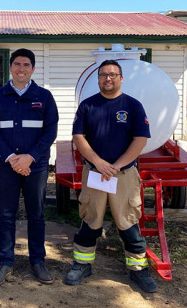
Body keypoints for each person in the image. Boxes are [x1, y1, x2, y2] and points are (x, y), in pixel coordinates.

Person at [64, 59, 157, 293]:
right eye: (104, 75)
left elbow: (140, 140)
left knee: (128, 223)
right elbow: (78, 137)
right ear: (98, 79)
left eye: (113, 74)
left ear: (121, 78)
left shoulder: (133, 106)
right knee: (90, 221)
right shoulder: (87, 106)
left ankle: (138, 271)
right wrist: (98, 162)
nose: (108, 78)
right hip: (95, 174)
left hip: (123, 174)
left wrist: (116, 166)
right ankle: (82, 265)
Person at [0, 48, 59, 286]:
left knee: (36, 214)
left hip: (35, 167)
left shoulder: (44, 97)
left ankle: (38, 261)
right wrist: (11, 158)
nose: (21, 69)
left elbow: (50, 131)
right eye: (17, 64)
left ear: (33, 69)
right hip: (6, 166)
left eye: (26, 65)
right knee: (6, 215)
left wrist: (30, 158)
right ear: (10, 67)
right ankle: (5, 262)